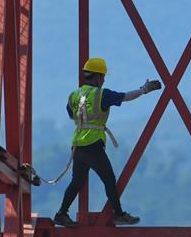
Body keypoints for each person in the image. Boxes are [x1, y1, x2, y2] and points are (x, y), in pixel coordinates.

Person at [53, 57, 162, 227]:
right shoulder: (102, 94)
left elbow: (70, 114)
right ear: (97, 77)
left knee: (77, 181)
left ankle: (61, 214)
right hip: (93, 144)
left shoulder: (74, 95)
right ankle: (118, 214)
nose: (103, 80)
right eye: (103, 76)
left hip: (78, 146)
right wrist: (144, 89)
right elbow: (126, 97)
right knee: (109, 180)